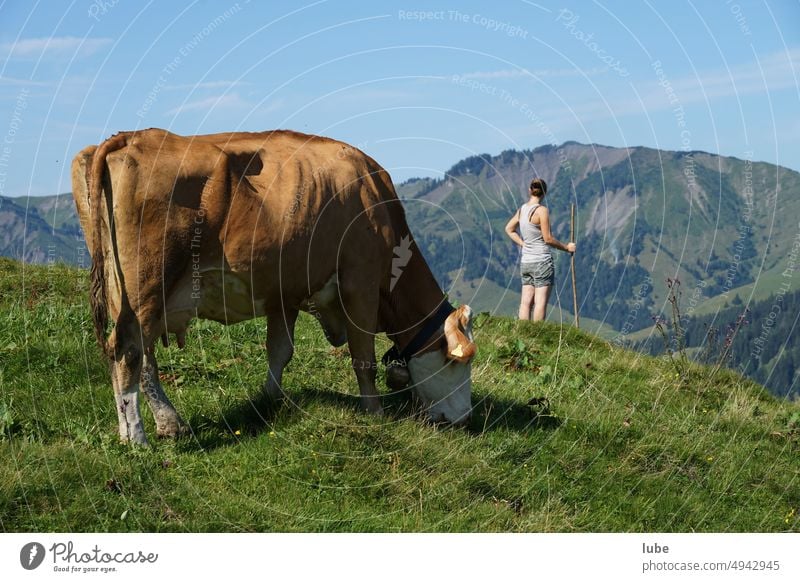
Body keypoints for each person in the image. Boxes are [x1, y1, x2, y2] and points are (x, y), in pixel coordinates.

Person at [504, 178, 576, 321]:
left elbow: (509, 229)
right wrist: (567, 248)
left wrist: (523, 244)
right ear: (544, 193)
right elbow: (548, 238)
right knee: (540, 302)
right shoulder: (542, 211)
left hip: (526, 262)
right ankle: (537, 336)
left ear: (530, 190)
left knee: (525, 303)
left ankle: (523, 334)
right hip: (541, 261)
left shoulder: (522, 210)